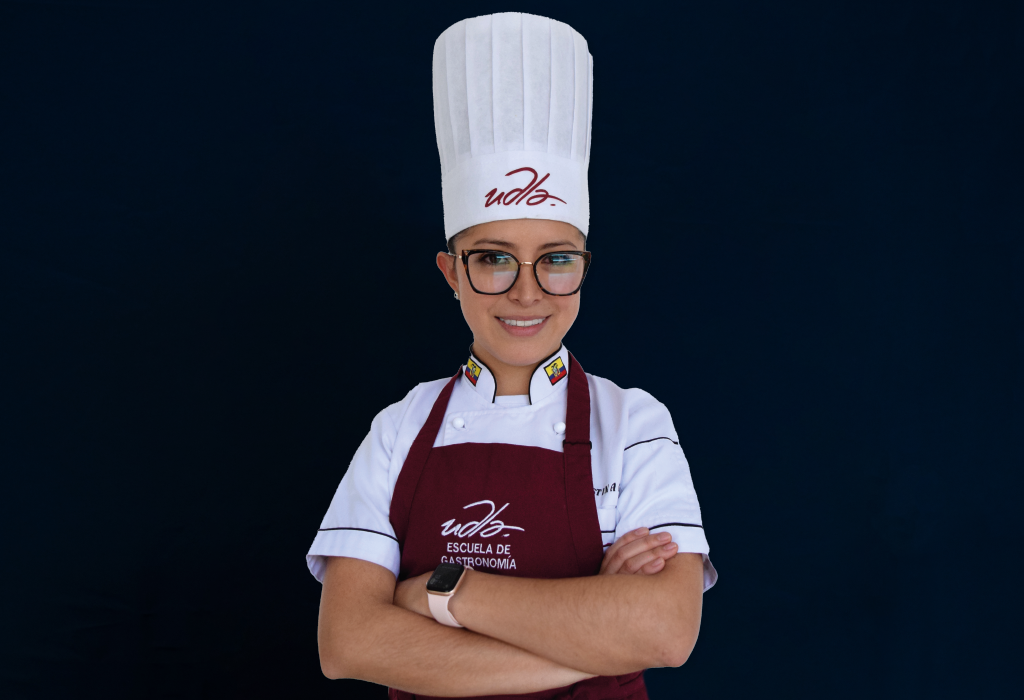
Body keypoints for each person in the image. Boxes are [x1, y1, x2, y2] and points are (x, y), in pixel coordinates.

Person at [307, 12, 717, 699]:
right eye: (494, 259)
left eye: (556, 259)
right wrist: (595, 640)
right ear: (451, 273)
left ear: (583, 268)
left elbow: (666, 631)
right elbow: (348, 644)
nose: (527, 293)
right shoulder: (399, 428)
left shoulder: (635, 424)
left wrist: (441, 593)